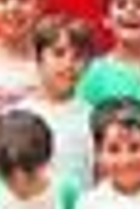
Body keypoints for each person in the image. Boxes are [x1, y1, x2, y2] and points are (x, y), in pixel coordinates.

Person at [22, 14, 96, 188]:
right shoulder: (19, 115)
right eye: (58, 53)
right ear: (38, 58)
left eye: (78, 56)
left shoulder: (92, 116)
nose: (68, 64)